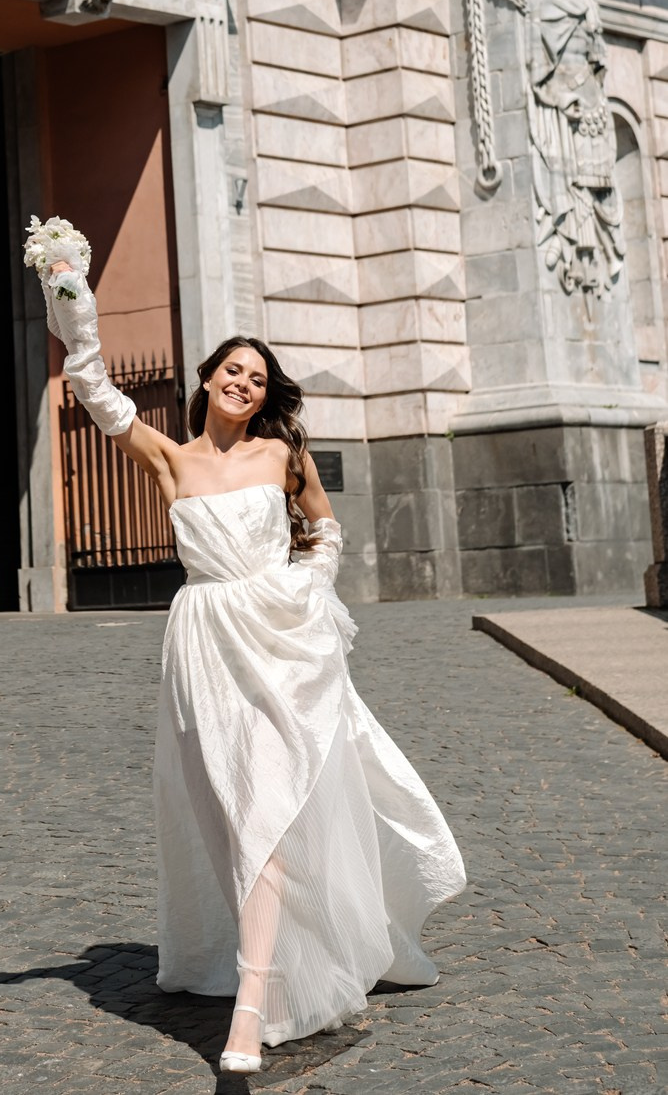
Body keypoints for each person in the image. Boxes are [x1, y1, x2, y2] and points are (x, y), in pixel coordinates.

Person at [32, 219, 466, 1074]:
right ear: (207, 380)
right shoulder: (170, 459)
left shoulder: (282, 452)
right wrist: (71, 297)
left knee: (269, 817)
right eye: (233, 369)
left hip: (281, 641)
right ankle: (262, 962)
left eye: (257, 377)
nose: (243, 382)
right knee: (233, 821)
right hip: (203, 645)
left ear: (266, 396)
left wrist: (309, 584)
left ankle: (252, 1006)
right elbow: (93, 389)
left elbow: (326, 532)